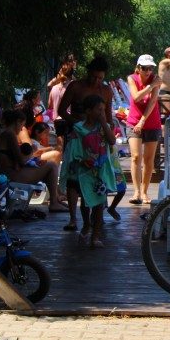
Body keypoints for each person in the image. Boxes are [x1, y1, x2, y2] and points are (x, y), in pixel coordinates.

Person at [57, 56, 114, 232]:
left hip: (97, 139)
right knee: (74, 177)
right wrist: (74, 122)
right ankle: (73, 218)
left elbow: (109, 116)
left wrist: (107, 132)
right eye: (94, 77)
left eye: (100, 78)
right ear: (88, 73)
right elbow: (61, 110)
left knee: (98, 175)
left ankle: (97, 215)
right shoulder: (76, 87)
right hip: (77, 136)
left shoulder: (106, 91)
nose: (96, 81)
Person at [62, 94, 116, 248]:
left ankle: (95, 236)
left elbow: (112, 141)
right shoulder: (78, 128)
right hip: (84, 171)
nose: (101, 113)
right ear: (88, 111)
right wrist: (80, 161)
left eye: (103, 110)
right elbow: (73, 149)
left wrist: (105, 123)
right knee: (86, 202)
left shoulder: (103, 128)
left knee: (99, 204)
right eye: (98, 110)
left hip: (100, 172)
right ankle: (86, 223)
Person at [0, 110, 67, 212]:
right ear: (18, 122)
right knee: (51, 166)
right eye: (22, 125)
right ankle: (54, 202)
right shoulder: (9, 134)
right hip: (11, 175)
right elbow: (21, 160)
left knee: (46, 168)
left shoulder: (0, 132)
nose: (20, 130)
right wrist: (32, 152)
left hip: (5, 173)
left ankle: (56, 199)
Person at [126, 54, 162, 205]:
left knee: (148, 159)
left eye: (150, 68)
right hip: (133, 121)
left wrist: (143, 121)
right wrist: (151, 86)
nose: (148, 71)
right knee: (135, 156)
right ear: (138, 68)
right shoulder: (131, 78)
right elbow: (136, 97)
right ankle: (136, 191)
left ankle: (145, 191)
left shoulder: (156, 79)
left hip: (151, 122)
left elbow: (152, 101)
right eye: (145, 68)